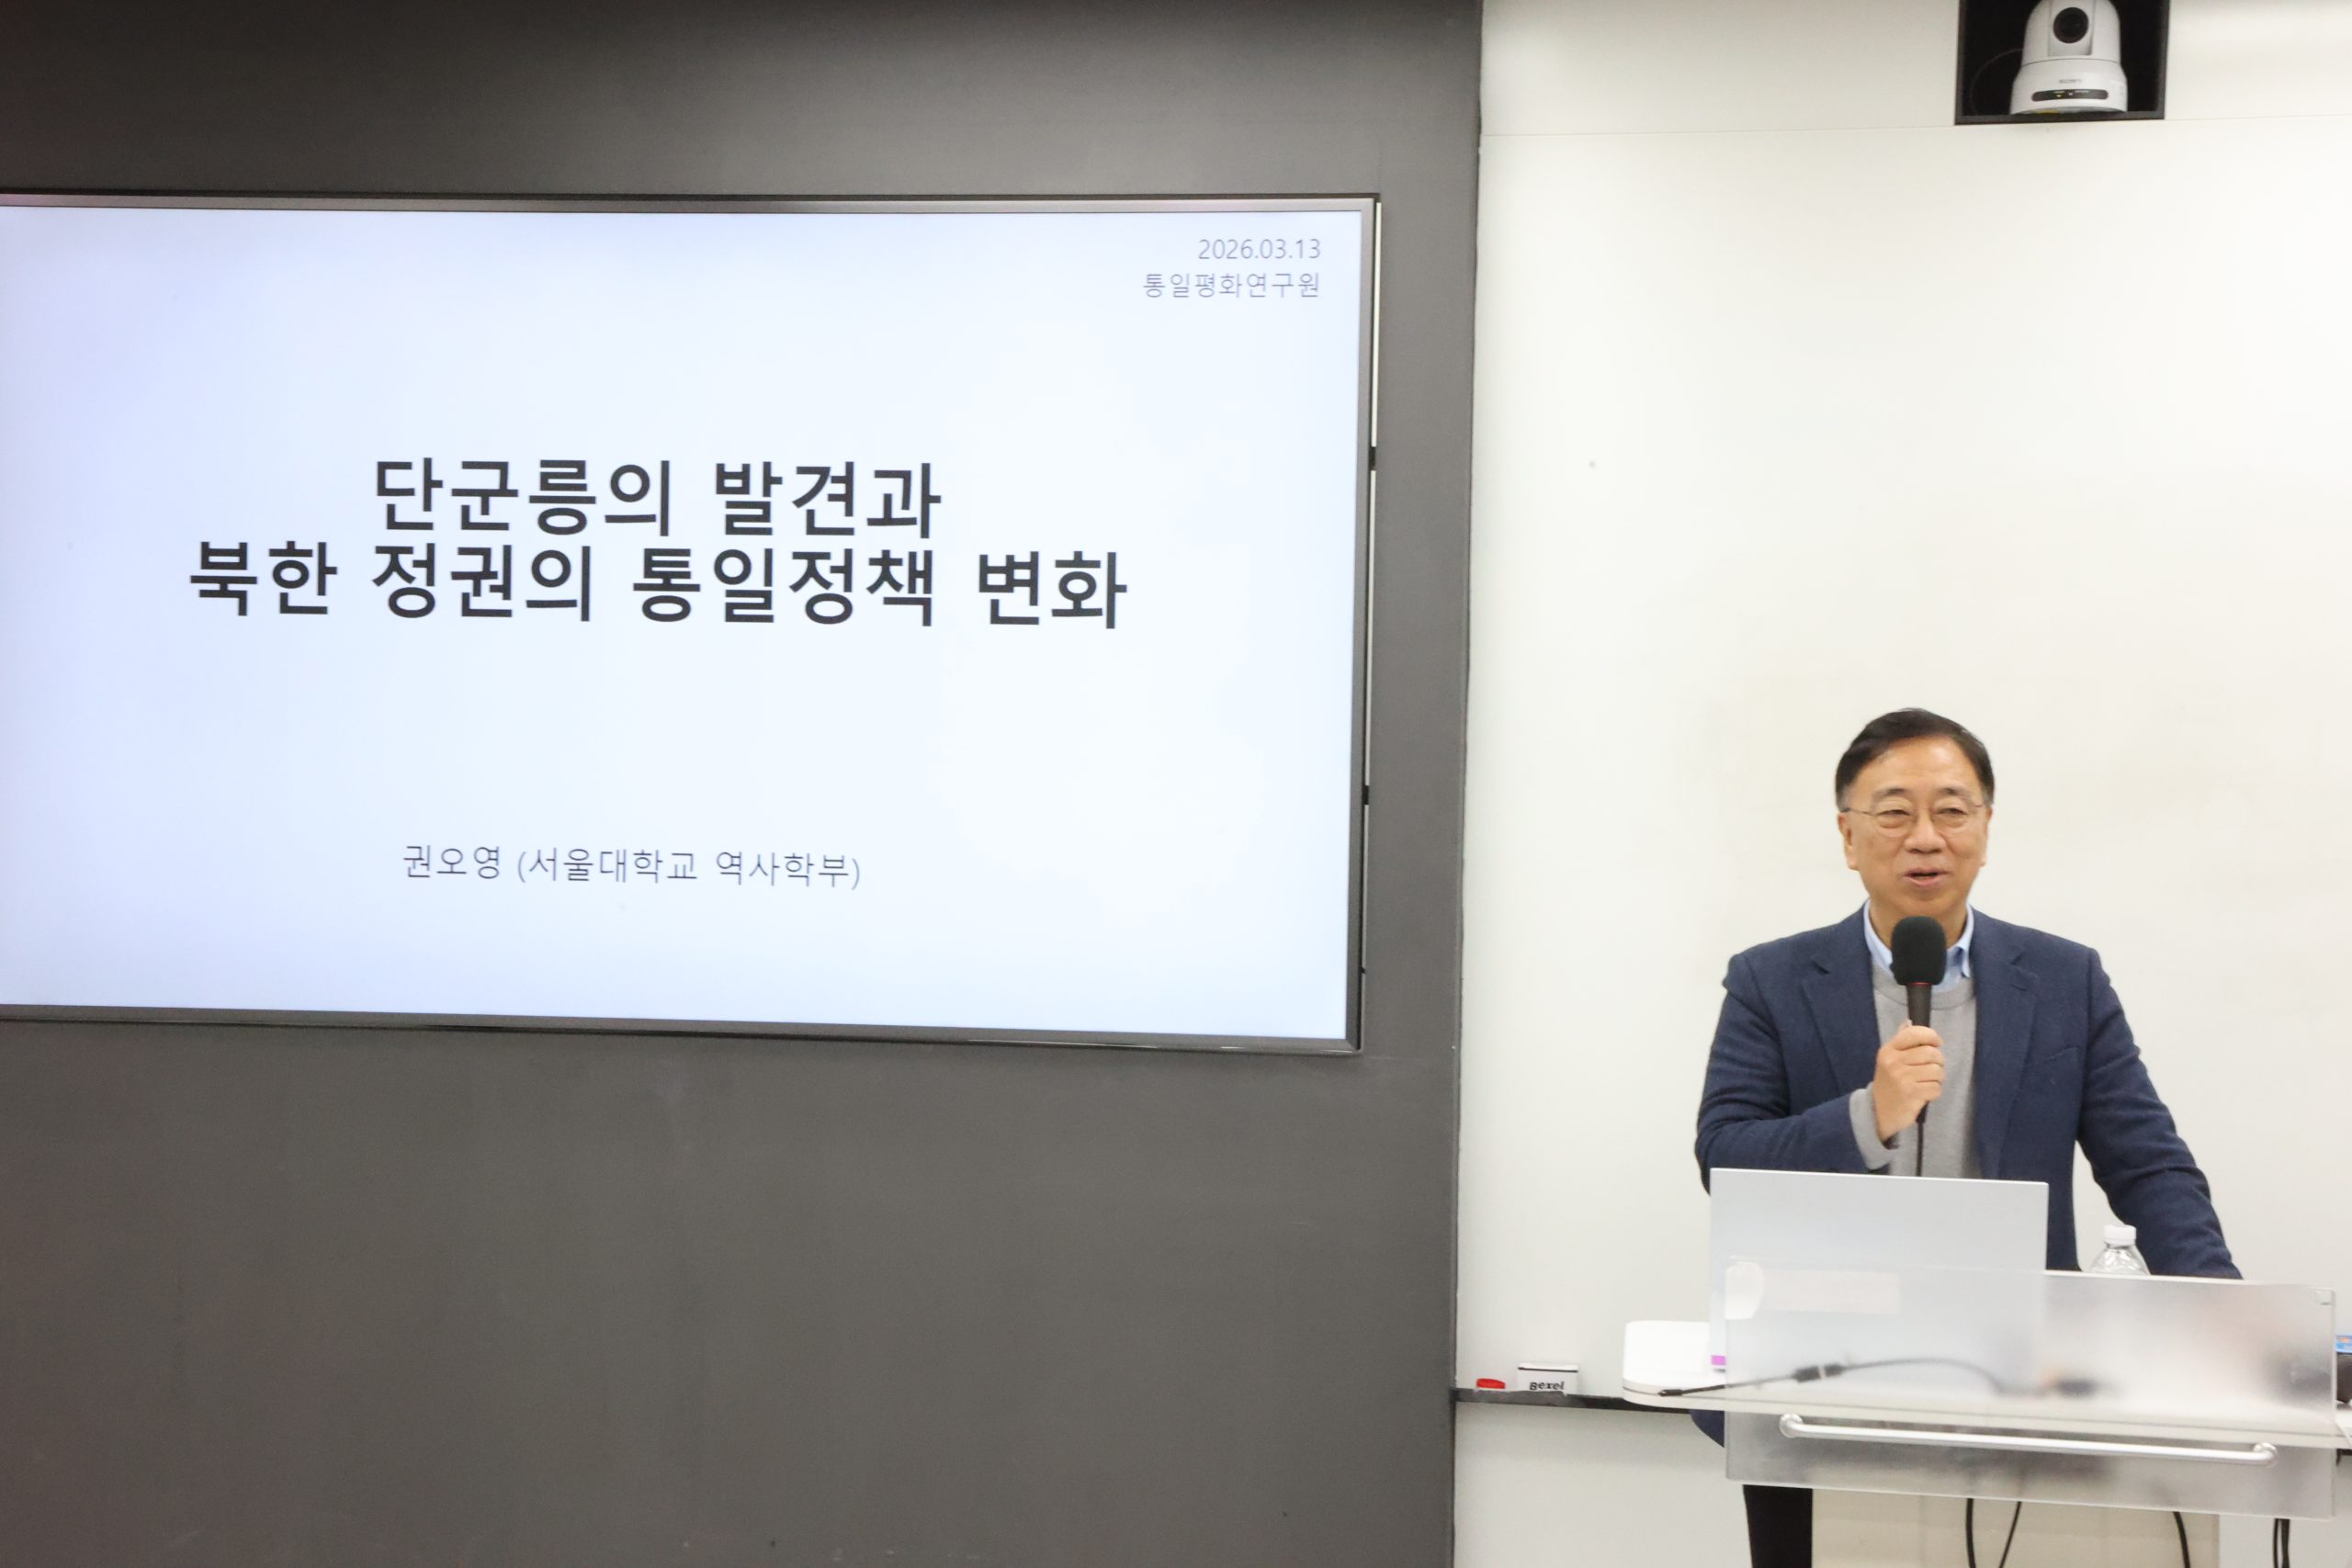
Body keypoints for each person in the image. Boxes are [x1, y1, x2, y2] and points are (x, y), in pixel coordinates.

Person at [1690, 708, 2235, 1568]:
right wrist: (1867, 1114)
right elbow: (1726, 1156)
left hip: (2017, 1380)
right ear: (1848, 835)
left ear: (1985, 827)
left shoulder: (2064, 979)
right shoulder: (1773, 980)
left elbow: (2149, 1165)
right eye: (1894, 812)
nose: (1926, 836)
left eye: (1951, 809)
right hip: (1814, 1378)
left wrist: (2222, 1312)